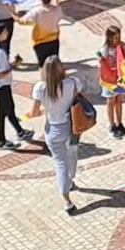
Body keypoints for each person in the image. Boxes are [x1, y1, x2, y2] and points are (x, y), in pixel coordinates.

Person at [27, 55, 86, 213]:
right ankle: (70, 180)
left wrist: (36, 113)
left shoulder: (40, 88)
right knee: (72, 153)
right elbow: (77, 99)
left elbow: (34, 112)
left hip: (52, 129)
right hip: (71, 127)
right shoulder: (72, 83)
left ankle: (66, 200)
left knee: (60, 163)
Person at [0, 21, 30, 150]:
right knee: (2, 113)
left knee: (9, 109)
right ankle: (2, 141)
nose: (7, 33)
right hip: (1, 85)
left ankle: (20, 131)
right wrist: (14, 66)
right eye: (4, 31)